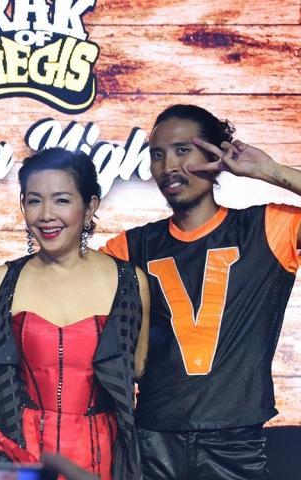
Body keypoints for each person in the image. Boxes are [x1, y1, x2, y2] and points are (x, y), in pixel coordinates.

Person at [102, 104, 301, 479]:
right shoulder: (131, 247)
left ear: (216, 155)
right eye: (157, 155)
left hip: (234, 443)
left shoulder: (265, 229)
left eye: (182, 150)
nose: (168, 166)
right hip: (153, 441)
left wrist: (268, 170)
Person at [0, 148, 150, 480]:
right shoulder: (1, 281)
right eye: (34, 201)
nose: (46, 215)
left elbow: (138, 368)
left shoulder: (130, 282)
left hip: (103, 457)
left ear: (90, 205)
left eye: (62, 200)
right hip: (21, 454)